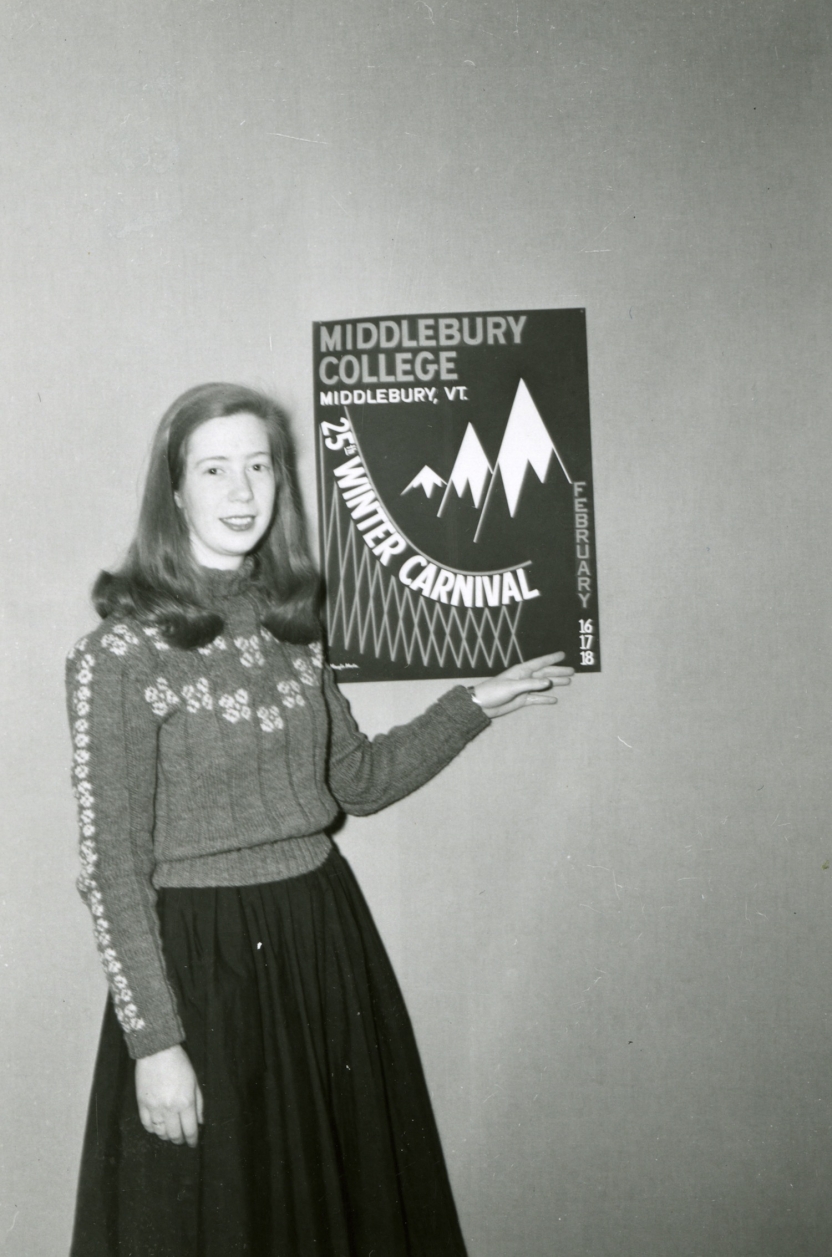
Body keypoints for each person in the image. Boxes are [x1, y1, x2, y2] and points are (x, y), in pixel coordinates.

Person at [66, 382, 573, 1257]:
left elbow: (357, 780)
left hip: (319, 944)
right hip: (203, 970)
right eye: (214, 468)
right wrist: (156, 1042)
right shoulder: (118, 652)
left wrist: (473, 705)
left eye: (258, 466)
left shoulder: (293, 627)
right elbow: (112, 865)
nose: (241, 490)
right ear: (173, 490)